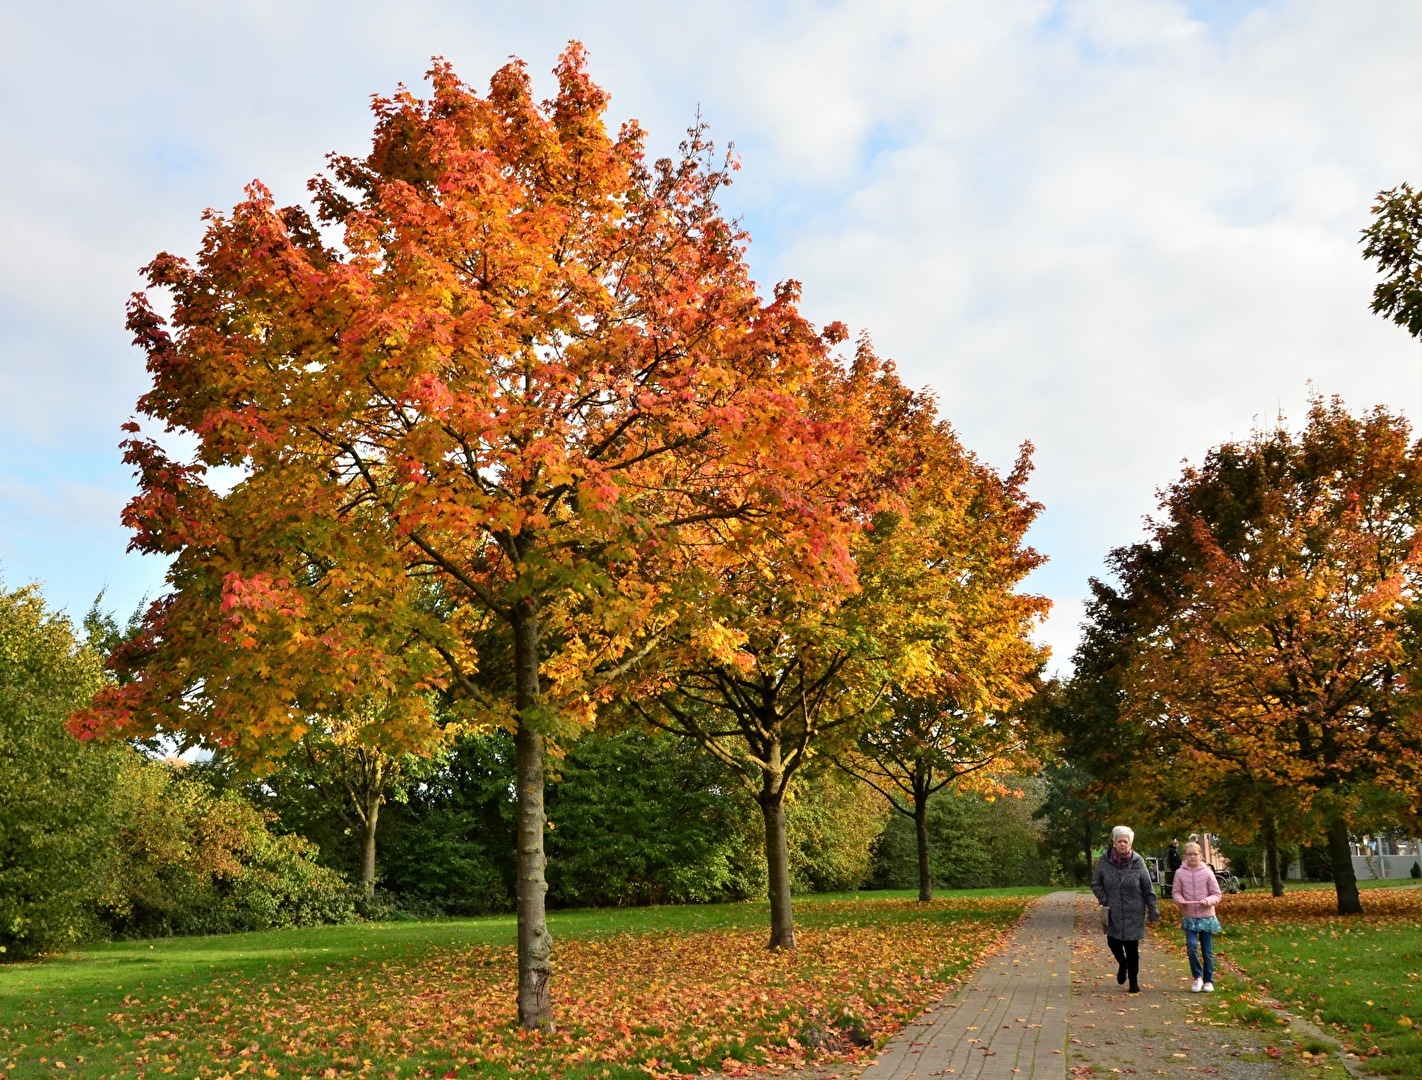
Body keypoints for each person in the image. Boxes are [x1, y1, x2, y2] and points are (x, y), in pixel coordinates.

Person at [1092, 826, 1160, 993]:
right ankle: (1123, 964)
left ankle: (1133, 981)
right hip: (1113, 910)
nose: (1122, 844)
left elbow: (1147, 887)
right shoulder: (1104, 861)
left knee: (1131, 947)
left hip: (1134, 910)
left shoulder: (1138, 862)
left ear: (1130, 844)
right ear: (1114, 843)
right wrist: (1104, 899)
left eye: (1125, 841)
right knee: (1112, 942)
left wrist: (1153, 908)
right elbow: (1096, 884)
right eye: (1119, 841)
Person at [1171, 840, 1223, 992]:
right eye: (1189, 854)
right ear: (1185, 856)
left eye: (1195, 854)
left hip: (1206, 916)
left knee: (1207, 950)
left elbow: (1217, 894)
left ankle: (1208, 980)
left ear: (1200, 855)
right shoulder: (1180, 873)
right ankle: (1197, 977)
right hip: (1189, 917)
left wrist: (1207, 901)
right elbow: (1176, 892)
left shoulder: (1207, 873)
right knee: (1192, 946)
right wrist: (1179, 899)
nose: (1192, 857)